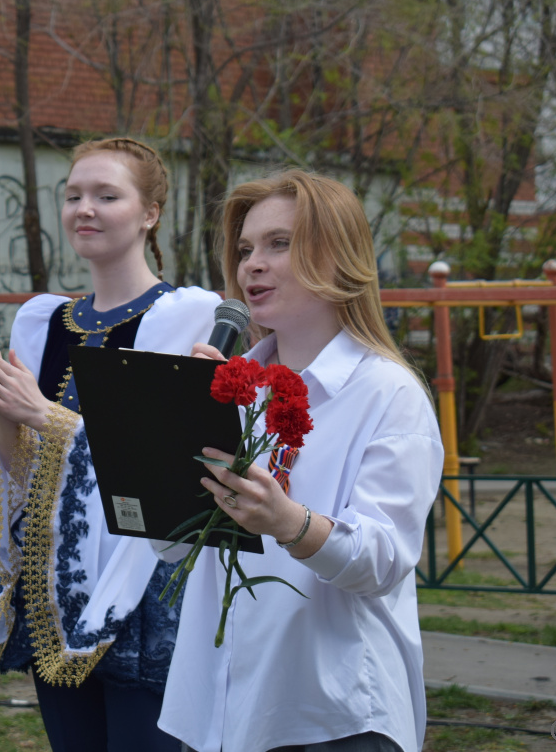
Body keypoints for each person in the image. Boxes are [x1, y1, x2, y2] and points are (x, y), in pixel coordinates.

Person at [0, 138, 220, 751]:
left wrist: (44, 414)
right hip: (53, 580)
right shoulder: (40, 320)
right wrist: (2, 411)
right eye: (73, 196)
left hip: (145, 580)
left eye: (106, 195)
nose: (84, 209)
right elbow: (21, 475)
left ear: (150, 213)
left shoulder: (190, 316)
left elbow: (173, 471)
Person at [163, 170, 443, 752]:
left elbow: (383, 561)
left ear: (337, 258)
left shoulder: (388, 393)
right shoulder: (232, 391)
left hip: (332, 715)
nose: (251, 266)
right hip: (214, 707)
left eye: (278, 243)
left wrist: (289, 522)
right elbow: (174, 547)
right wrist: (163, 447)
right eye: (245, 250)